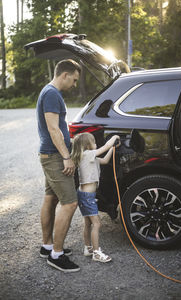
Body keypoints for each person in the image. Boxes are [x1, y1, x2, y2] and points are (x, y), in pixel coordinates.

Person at [37, 59, 81, 272]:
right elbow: (54, 129)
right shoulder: (53, 94)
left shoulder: (48, 91)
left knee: (51, 198)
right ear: (65, 74)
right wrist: (66, 156)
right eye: (74, 79)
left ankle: (47, 246)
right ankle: (56, 254)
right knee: (70, 203)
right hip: (55, 156)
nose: (74, 84)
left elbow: (56, 128)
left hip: (50, 155)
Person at [71, 132, 120, 263]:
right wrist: (114, 138)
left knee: (88, 223)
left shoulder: (88, 157)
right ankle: (97, 253)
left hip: (84, 194)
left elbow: (105, 160)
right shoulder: (87, 155)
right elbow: (103, 149)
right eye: (93, 141)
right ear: (87, 145)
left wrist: (112, 148)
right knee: (97, 223)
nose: (95, 143)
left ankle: (88, 248)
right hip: (87, 196)